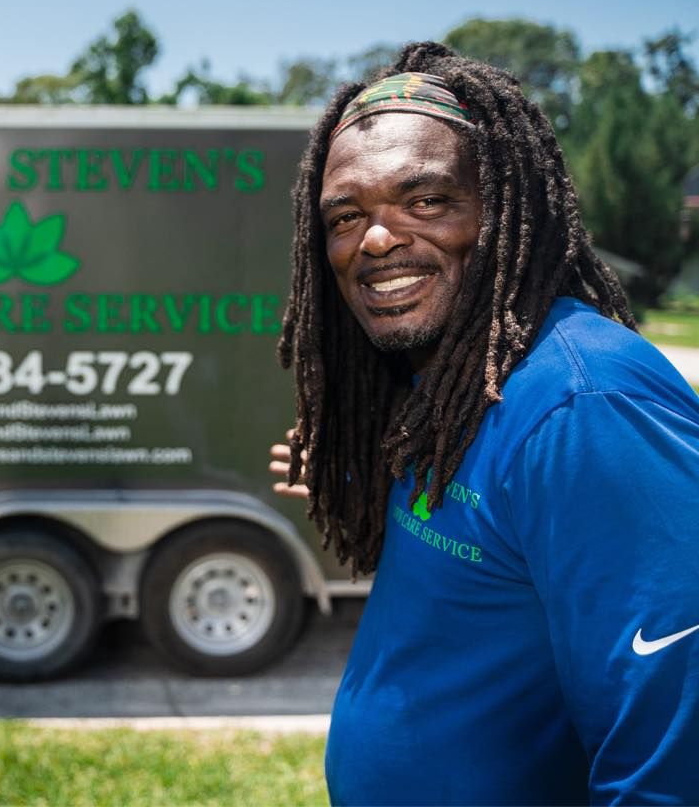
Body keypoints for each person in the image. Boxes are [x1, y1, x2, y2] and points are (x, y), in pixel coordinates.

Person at [270, 43, 699, 804]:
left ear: (505, 210)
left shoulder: (585, 406)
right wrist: (358, 470)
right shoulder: (449, 388)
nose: (375, 239)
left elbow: (674, 748)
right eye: (346, 215)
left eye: (425, 200)